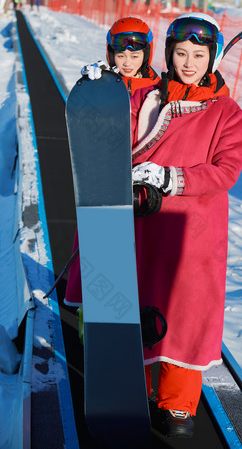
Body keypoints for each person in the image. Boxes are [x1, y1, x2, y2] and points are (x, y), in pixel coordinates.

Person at [129, 12, 242, 438]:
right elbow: (114, 135)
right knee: (141, 305)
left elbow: (226, 171)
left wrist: (173, 177)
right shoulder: (147, 100)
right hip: (145, 224)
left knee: (187, 314)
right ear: (168, 54)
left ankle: (177, 403)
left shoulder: (226, 113)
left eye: (199, 54)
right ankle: (137, 389)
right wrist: (99, 87)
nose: (189, 62)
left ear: (212, 59)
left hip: (195, 233)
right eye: (181, 53)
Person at [64, 17, 160, 306]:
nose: (128, 61)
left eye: (135, 55)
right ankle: (88, 311)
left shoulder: (158, 87)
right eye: (120, 55)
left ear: (147, 53)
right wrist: (90, 90)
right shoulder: (105, 83)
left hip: (139, 181)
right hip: (106, 179)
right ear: (110, 54)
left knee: (135, 253)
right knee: (97, 249)